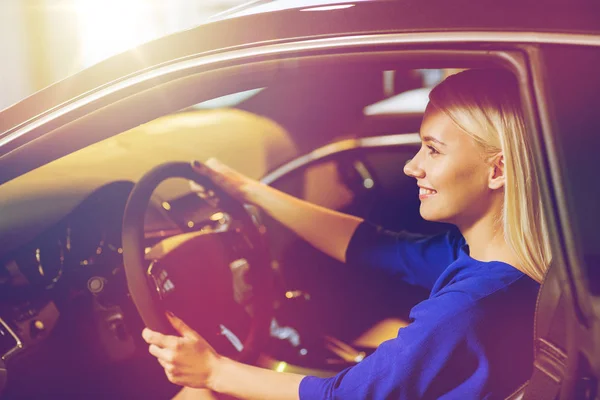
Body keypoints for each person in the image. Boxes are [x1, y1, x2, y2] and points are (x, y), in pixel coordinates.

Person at [142, 69, 551, 399]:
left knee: (200, 395)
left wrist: (214, 371)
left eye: (433, 150)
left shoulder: (467, 308)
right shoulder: (495, 262)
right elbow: (373, 247)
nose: (412, 166)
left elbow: (341, 397)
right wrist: (252, 192)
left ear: (498, 170)